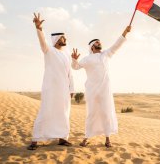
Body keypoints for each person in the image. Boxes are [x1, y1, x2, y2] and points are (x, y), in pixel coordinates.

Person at [71, 26, 131, 148]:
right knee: (91, 113)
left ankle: (107, 139)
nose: (99, 43)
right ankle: (86, 138)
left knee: (106, 113)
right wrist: (74, 60)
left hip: (105, 90)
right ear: (92, 47)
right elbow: (75, 67)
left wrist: (125, 32)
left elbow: (116, 45)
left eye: (100, 42)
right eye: (97, 42)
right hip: (92, 91)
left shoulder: (106, 54)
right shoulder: (87, 59)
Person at [27, 13, 75, 150]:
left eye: (65, 37)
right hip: (51, 89)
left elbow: (69, 73)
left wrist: (71, 89)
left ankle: (62, 138)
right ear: (56, 40)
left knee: (64, 113)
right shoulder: (49, 50)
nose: (65, 39)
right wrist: (39, 29)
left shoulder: (66, 54)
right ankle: (35, 140)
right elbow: (42, 42)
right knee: (46, 112)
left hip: (64, 90)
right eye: (62, 37)